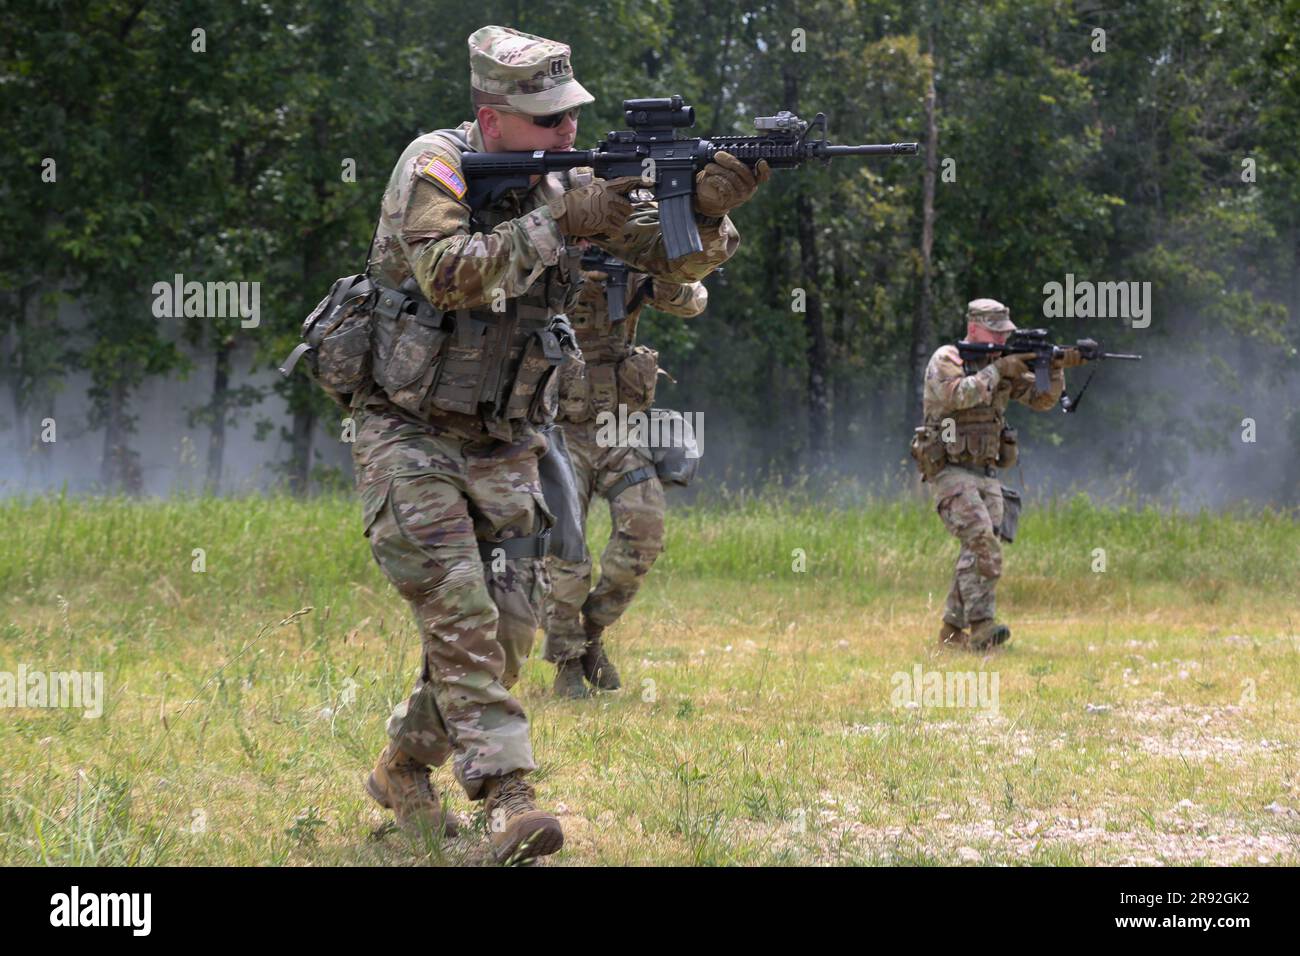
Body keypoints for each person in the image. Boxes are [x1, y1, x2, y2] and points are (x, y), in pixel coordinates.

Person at [352, 24, 761, 862]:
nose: (566, 132)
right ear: (491, 118)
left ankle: (402, 767)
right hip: (408, 429)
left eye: (571, 114)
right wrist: (557, 221)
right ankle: (510, 798)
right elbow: (447, 273)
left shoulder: (573, 175)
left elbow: (668, 266)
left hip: (505, 432)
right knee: (461, 606)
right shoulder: (433, 164)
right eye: (546, 120)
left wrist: (709, 214)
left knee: (507, 627)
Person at [544, 262, 707, 698]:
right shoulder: (544, 237)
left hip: (618, 429)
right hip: (559, 428)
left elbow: (693, 301)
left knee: (644, 530)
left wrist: (658, 273)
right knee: (564, 548)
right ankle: (566, 659)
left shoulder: (630, 252)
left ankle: (593, 632)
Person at [916, 298, 1083, 651]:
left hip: (986, 471)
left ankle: (950, 632)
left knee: (978, 548)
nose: (1001, 338)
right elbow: (957, 395)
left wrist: (1053, 368)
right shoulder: (948, 359)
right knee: (981, 542)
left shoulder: (1001, 364)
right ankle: (981, 627)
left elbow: (1041, 400)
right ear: (974, 328)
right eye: (995, 331)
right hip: (948, 469)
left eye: (1004, 332)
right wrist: (999, 369)